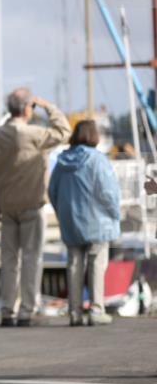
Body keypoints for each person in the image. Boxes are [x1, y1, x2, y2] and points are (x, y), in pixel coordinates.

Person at [0, 89, 71, 326]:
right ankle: (26, 311)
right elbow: (64, 131)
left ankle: (7, 310)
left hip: (7, 207)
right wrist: (47, 105)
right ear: (26, 109)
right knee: (32, 258)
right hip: (32, 204)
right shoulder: (33, 134)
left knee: (9, 259)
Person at [48, 120, 121, 326]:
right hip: (98, 222)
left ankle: (75, 312)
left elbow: (52, 191)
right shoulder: (98, 160)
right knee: (97, 262)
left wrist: (62, 213)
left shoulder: (62, 162)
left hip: (71, 222)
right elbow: (108, 192)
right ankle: (97, 309)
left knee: (74, 264)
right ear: (94, 135)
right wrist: (115, 214)